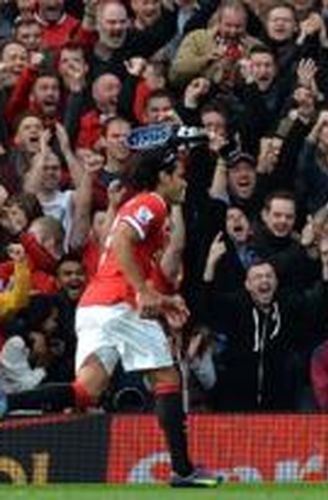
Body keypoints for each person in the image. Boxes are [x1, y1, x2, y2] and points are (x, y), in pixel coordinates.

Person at [0, 146, 221, 488]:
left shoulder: (139, 206)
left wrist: (161, 300)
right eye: (178, 175)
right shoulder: (152, 203)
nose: (184, 182)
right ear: (162, 177)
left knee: (86, 392)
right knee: (167, 378)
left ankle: (6, 402)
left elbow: (122, 256)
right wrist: (145, 293)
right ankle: (183, 470)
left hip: (94, 305)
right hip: (119, 305)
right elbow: (121, 242)